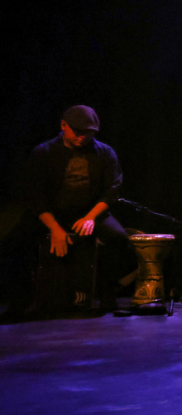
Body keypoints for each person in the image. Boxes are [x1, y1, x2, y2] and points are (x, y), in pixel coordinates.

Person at [3, 106, 129, 318]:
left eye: (87, 133)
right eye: (77, 131)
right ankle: (20, 301)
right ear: (63, 126)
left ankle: (107, 295)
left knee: (119, 239)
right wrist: (55, 228)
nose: (82, 136)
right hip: (51, 214)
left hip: (90, 213)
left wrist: (90, 217)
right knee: (13, 244)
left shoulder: (105, 153)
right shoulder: (43, 152)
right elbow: (35, 197)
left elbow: (112, 191)